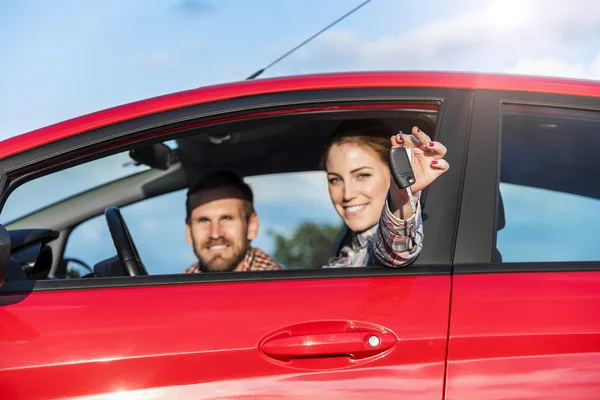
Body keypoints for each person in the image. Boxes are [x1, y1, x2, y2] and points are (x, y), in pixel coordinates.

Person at [322, 119, 449, 268]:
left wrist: (402, 197)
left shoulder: (380, 248)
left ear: (393, 172)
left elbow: (395, 253)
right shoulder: (348, 246)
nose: (347, 194)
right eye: (335, 179)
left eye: (362, 175)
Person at [183, 170, 281, 273]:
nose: (215, 234)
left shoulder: (276, 285)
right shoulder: (179, 285)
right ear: (189, 231)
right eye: (204, 220)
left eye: (227, 218)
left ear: (252, 226)